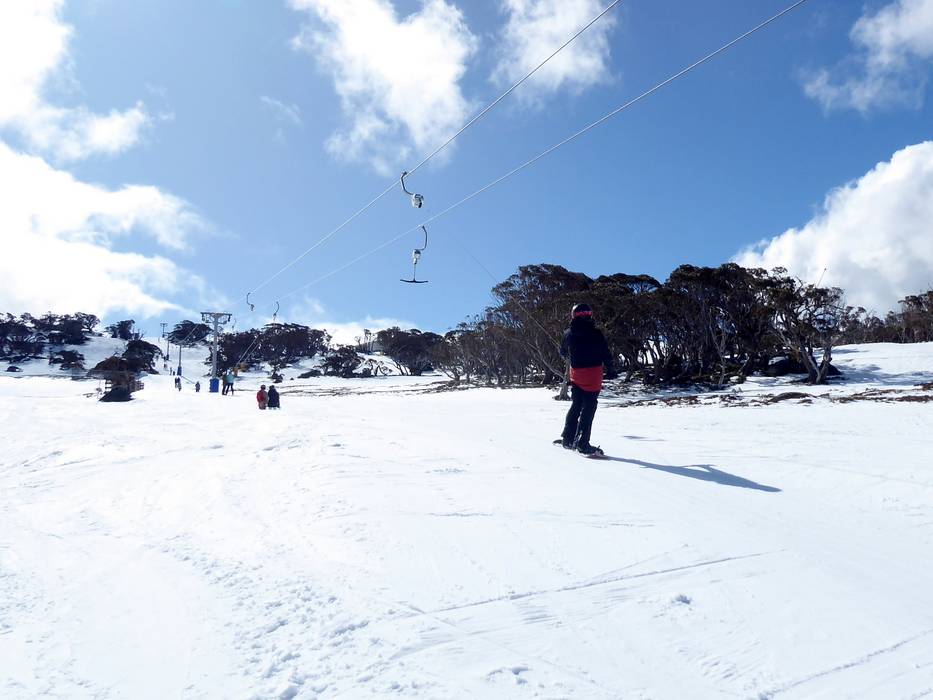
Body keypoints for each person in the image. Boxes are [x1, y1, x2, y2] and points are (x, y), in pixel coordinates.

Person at [557, 303, 614, 456]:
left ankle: (568, 438)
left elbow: (562, 352)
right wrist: (611, 369)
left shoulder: (568, 333)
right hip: (593, 375)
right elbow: (605, 353)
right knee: (589, 406)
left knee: (576, 404)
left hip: (576, 374)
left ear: (573, 315)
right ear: (590, 315)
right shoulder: (596, 333)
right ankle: (582, 443)